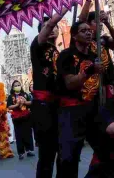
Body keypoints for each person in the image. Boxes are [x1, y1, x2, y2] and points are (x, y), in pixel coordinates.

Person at [56, 21, 106, 178]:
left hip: (93, 110)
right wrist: (90, 70)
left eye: (89, 30)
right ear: (74, 35)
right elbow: (70, 83)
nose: (88, 32)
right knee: (69, 159)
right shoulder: (66, 55)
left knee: (105, 151)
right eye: (83, 30)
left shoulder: (94, 56)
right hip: (71, 112)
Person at [31, 11, 66, 178]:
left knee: (62, 151)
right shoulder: (37, 46)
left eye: (53, 26)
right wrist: (65, 7)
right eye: (46, 27)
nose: (51, 28)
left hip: (58, 107)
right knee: (47, 155)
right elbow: (50, 25)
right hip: (43, 107)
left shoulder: (58, 53)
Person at [7, 81, 35, 160]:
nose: (17, 86)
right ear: (13, 87)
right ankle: (21, 152)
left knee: (28, 133)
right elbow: (9, 106)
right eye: (15, 85)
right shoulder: (10, 96)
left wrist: (25, 102)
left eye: (19, 85)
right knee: (19, 135)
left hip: (26, 116)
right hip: (16, 118)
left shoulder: (25, 94)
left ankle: (29, 150)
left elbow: (31, 102)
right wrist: (16, 105)